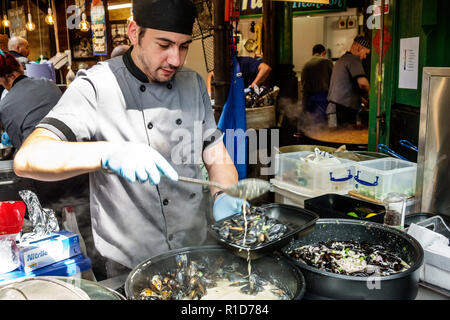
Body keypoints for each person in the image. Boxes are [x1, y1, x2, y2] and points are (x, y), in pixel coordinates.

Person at [13, 0, 246, 278]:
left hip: (195, 250)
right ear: (134, 32)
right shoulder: (97, 85)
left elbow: (214, 153)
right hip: (129, 264)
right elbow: (29, 157)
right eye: (164, 45)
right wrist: (110, 152)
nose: (176, 59)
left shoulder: (193, 83)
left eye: (184, 46)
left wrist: (223, 194)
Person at [326, 36, 371, 127]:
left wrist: (363, 100)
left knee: (336, 138)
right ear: (359, 48)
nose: (365, 57)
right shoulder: (353, 59)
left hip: (335, 109)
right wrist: (372, 98)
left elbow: (347, 87)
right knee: (342, 138)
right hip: (342, 111)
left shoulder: (342, 59)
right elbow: (363, 83)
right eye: (365, 53)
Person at [206, 56, 272, 97]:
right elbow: (211, 75)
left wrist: (253, 86)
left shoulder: (245, 62)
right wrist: (209, 95)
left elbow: (266, 69)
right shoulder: (221, 68)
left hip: (247, 101)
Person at [300, 44, 333, 123]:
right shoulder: (326, 62)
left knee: (308, 123)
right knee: (321, 124)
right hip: (321, 97)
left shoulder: (305, 64)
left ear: (312, 53)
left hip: (306, 97)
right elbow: (333, 80)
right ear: (323, 53)